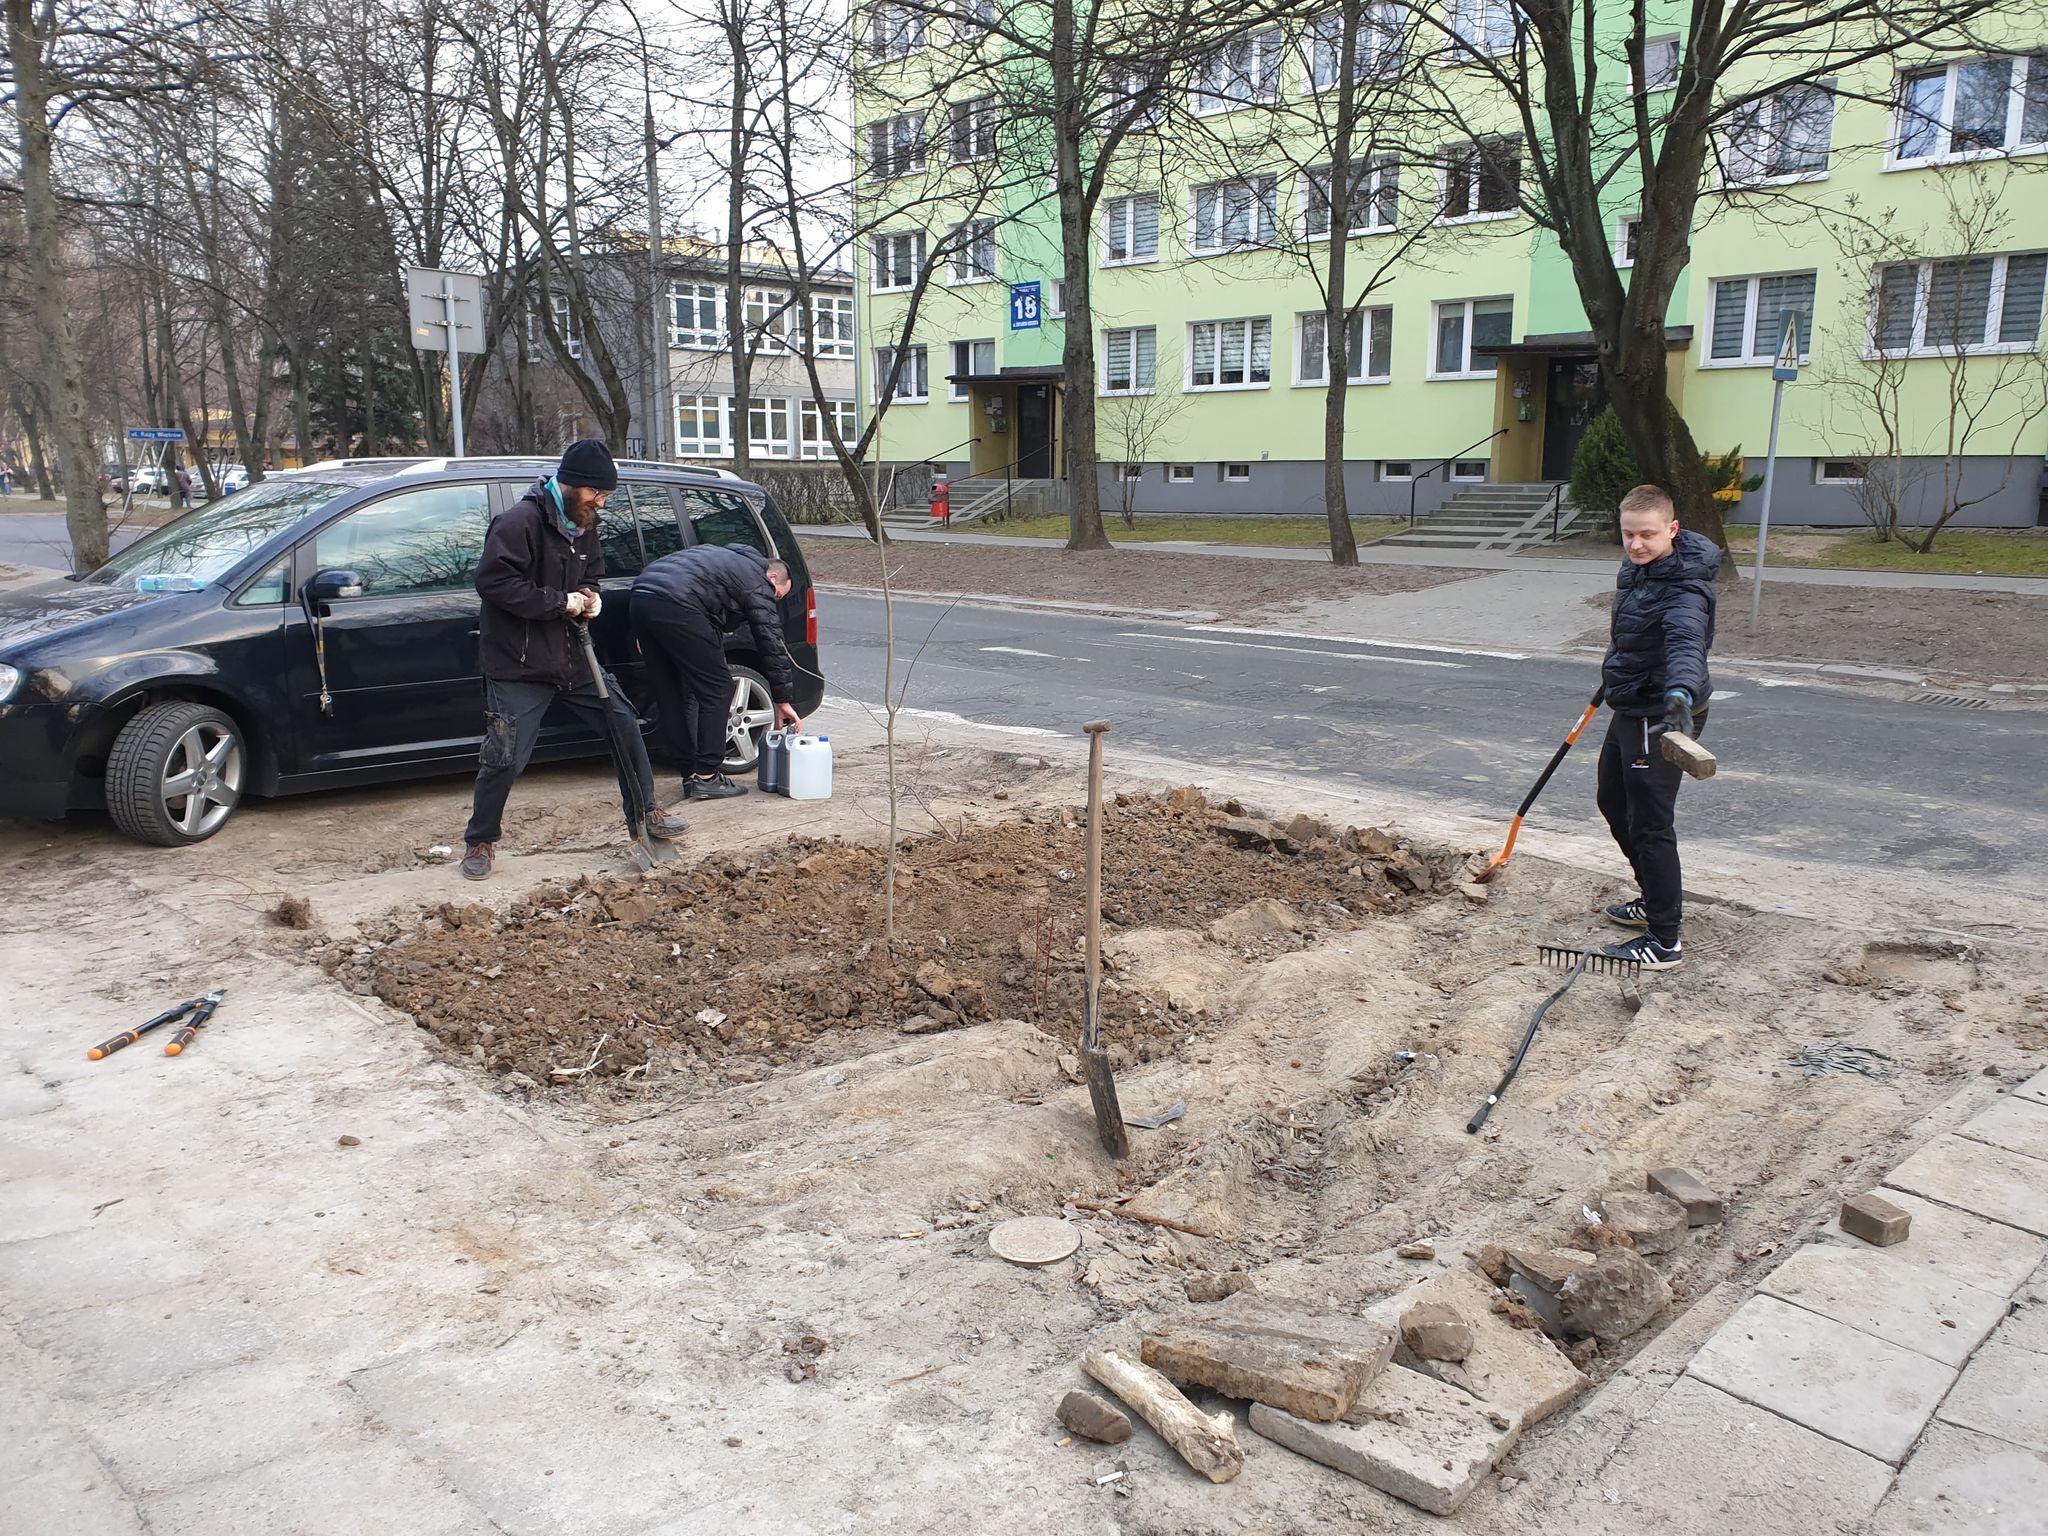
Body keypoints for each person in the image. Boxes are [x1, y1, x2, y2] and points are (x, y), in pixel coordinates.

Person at [460, 440, 684, 879]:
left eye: (604, 497)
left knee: (623, 725)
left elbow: (591, 574)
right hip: (519, 662)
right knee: (505, 755)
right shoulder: (518, 522)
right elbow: (494, 583)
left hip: (572, 656)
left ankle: (646, 814)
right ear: (572, 484)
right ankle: (481, 839)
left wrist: (591, 597)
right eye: (596, 494)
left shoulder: (585, 525)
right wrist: (558, 602)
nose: (600, 503)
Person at [1596, 483, 1718, 971]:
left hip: (1665, 712)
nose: (1636, 545)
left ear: (1673, 529)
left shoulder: (1686, 588)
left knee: (1649, 822)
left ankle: (1664, 939)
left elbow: (1686, 641)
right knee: (1612, 800)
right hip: (1631, 702)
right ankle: (1651, 896)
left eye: (1647, 535)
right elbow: (1635, 629)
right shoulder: (1639, 568)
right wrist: (1618, 668)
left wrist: (1681, 692)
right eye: (1628, 534)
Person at [630, 542, 801, 801]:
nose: (772, 599)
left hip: (642, 598)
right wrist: (782, 699)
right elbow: (770, 643)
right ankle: (708, 776)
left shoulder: (725, 559)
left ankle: (690, 774)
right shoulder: (757, 581)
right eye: (777, 595)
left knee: (670, 691)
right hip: (678, 603)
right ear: (773, 577)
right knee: (719, 688)